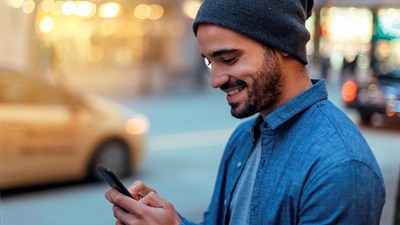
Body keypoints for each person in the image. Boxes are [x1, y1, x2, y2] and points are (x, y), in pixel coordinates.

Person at [104, 0, 386, 224]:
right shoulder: (243, 139)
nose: (216, 80)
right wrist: (167, 218)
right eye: (210, 62)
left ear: (284, 44)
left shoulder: (341, 167)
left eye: (228, 59)